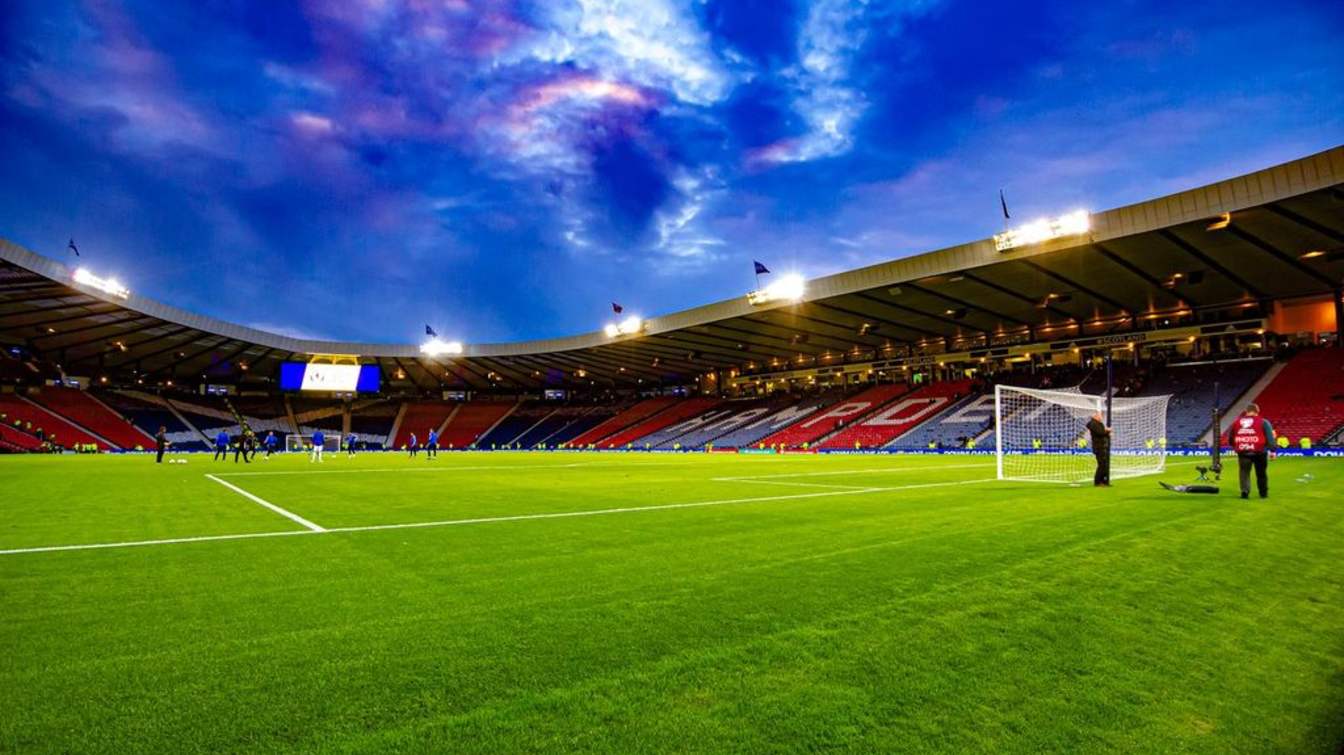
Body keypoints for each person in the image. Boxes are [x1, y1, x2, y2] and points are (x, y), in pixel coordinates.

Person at [1228, 402, 1274, 500]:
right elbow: (1270, 437)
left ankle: (1244, 492)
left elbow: (1231, 438)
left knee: (1244, 472)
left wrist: (1236, 445)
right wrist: (1273, 451)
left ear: (1246, 411)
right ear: (1257, 411)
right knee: (1261, 473)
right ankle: (1263, 493)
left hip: (1243, 452)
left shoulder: (1236, 422)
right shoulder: (1263, 422)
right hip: (1260, 451)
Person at [1086, 411, 1111, 487]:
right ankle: (1097, 482)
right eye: (1099, 416)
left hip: (1102, 446)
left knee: (1105, 465)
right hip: (1099, 447)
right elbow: (1100, 433)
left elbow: (1102, 433)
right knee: (1101, 464)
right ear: (1095, 416)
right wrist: (1107, 431)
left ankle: (1103, 481)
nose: (1101, 417)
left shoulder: (1098, 424)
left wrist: (1107, 433)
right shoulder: (1094, 424)